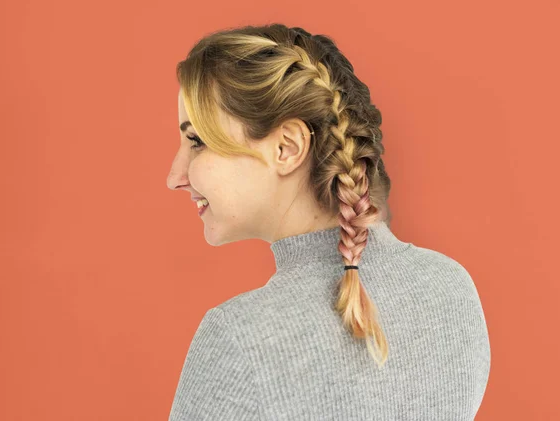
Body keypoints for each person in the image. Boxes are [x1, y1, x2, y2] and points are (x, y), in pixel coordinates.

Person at [166, 23, 490, 421]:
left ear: (287, 148)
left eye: (197, 141)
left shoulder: (239, 339)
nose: (175, 176)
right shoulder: (450, 288)